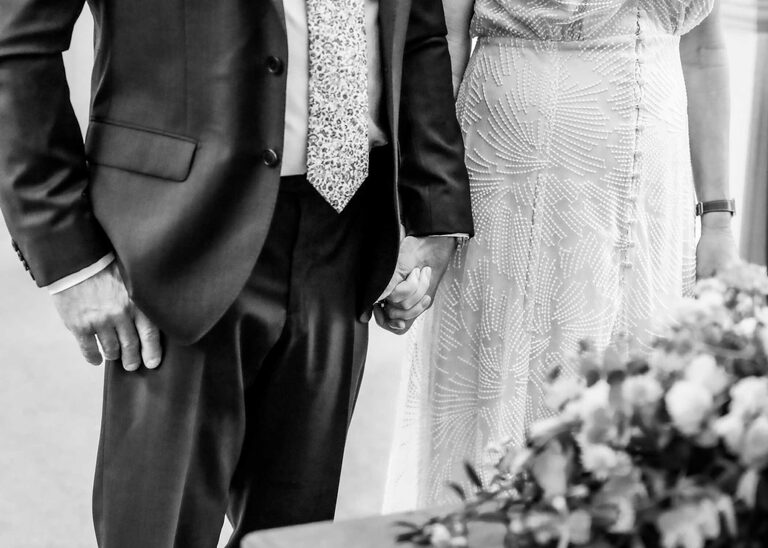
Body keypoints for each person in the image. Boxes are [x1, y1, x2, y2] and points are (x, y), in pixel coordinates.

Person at [0, 0, 473, 546]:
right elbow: (16, 44)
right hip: (180, 234)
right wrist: (70, 258)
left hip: (344, 228)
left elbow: (417, 33)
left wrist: (434, 212)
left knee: (294, 530)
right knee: (161, 530)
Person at [383, 0, 737, 510]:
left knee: (635, 427)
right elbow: (445, 42)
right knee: (517, 424)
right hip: (521, 179)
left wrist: (718, 220)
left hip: (658, 202)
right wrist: (427, 218)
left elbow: (704, 49)